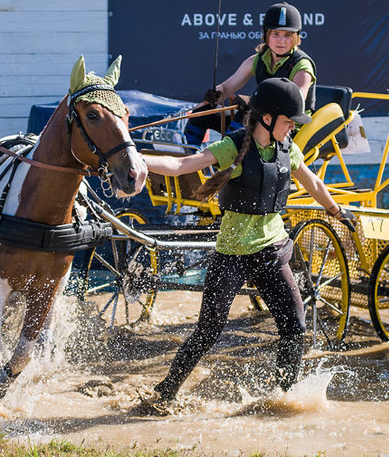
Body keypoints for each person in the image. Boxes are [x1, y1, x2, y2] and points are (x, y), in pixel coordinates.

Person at [140, 77, 355, 414]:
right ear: (267, 119)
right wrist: (139, 160)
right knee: (208, 332)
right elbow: (183, 165)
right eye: (288, 122)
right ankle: (164, 393)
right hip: (232, 254)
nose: (291, 129)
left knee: (295, 328)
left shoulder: (288, 148)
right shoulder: (232, 147)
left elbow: (311, 181)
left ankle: (285, 398)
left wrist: (336, 210)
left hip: (272, 250)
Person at [183, 2, 317, 146]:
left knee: (246, 113)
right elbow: (228, 87)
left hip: (289, 126)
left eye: (288, 35)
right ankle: (189, 157)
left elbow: (294, 105)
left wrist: (254, 102)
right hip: (263, 119)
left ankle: (229, 157)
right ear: (266, 34)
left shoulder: (302, 66)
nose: (281, 40)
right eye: (275, 34)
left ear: (296, 37)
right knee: (203, 112)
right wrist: (217, 93)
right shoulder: (258, 60)